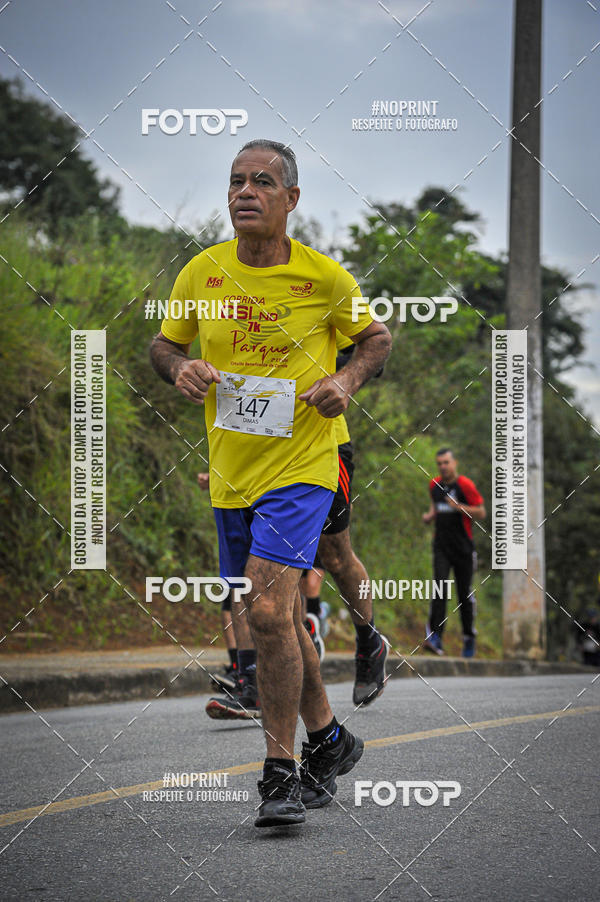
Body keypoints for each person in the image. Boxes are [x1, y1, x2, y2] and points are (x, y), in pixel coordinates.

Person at [150, 138, 391, 828]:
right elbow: (164, 343)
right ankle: (330, 738)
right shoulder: (202, 272)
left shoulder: (323, 277)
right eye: (234, 182)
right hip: (233, 472)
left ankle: (279, 774)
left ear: (291, 199)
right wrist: (178, 369)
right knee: (276, 615)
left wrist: (345, 379)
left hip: (305, 464)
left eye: (261, 182)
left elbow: (376, 337)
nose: (244, 192)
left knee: (265, 610)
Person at [422, 448, 485, 658]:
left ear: (454, 463)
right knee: (439, 588)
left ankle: (468, 638)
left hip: (463, 548)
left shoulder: (465, 485)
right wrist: (430, 516)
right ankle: (435, 637)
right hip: (441, 546)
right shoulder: (434, 485)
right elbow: (436, 507)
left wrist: (459, 507)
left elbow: (481, 512)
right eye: (439, 463)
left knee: (464, 594)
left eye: (446, 462)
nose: (443, 466)